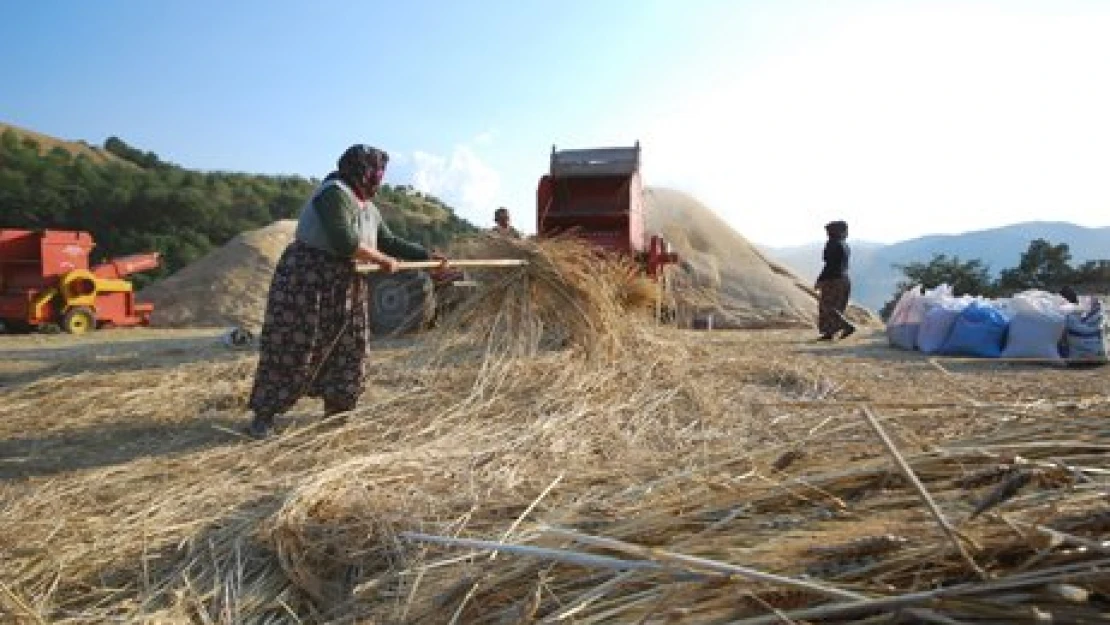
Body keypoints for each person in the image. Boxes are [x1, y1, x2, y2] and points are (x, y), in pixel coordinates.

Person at [243, 144, 446, 439]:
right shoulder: (333, 193)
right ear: (361, 171)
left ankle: (336, 412)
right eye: (376, 172)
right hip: (308, 280)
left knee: (348, 347)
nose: (379, 179)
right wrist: (381, 260)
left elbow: (388, 241)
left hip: (347, 283)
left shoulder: (368, 207)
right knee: (295, 344)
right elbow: (343, 240)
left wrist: (428, 256)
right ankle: (263, 417)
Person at [814, 220, 857, 341]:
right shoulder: (845, 245)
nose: (827, 234)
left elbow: (830, 264)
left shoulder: (832, 244)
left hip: (833, 279)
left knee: (827, 306)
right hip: (844, 279)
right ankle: (829, 333)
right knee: (837, 307)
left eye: (829, 231)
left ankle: (846, 326)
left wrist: (820, 279)